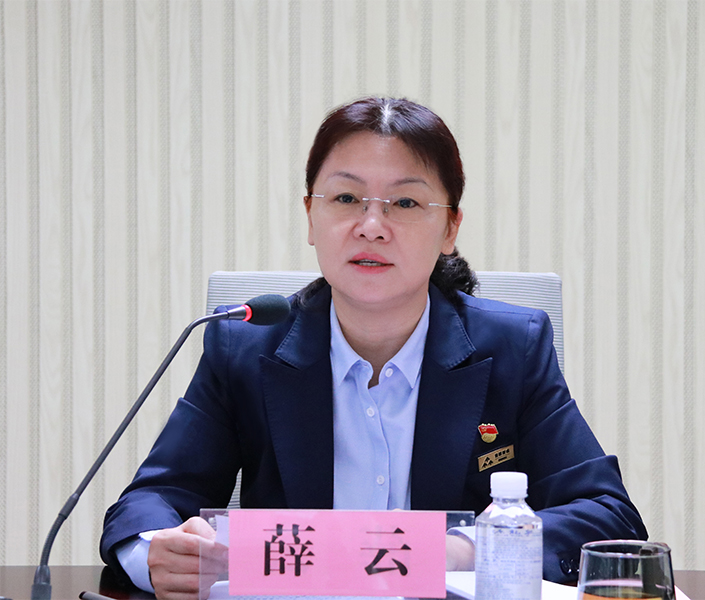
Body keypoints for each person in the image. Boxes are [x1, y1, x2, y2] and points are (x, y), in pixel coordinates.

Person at [100, 97, 647, 600]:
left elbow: (607, 515)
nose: (371, 226)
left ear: (450, 227)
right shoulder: (243, 344)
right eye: (345, 198)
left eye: (405, 202)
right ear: (310, 216)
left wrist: (468, 548)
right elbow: (151, 501)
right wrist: (157, 555)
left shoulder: (511, 347)